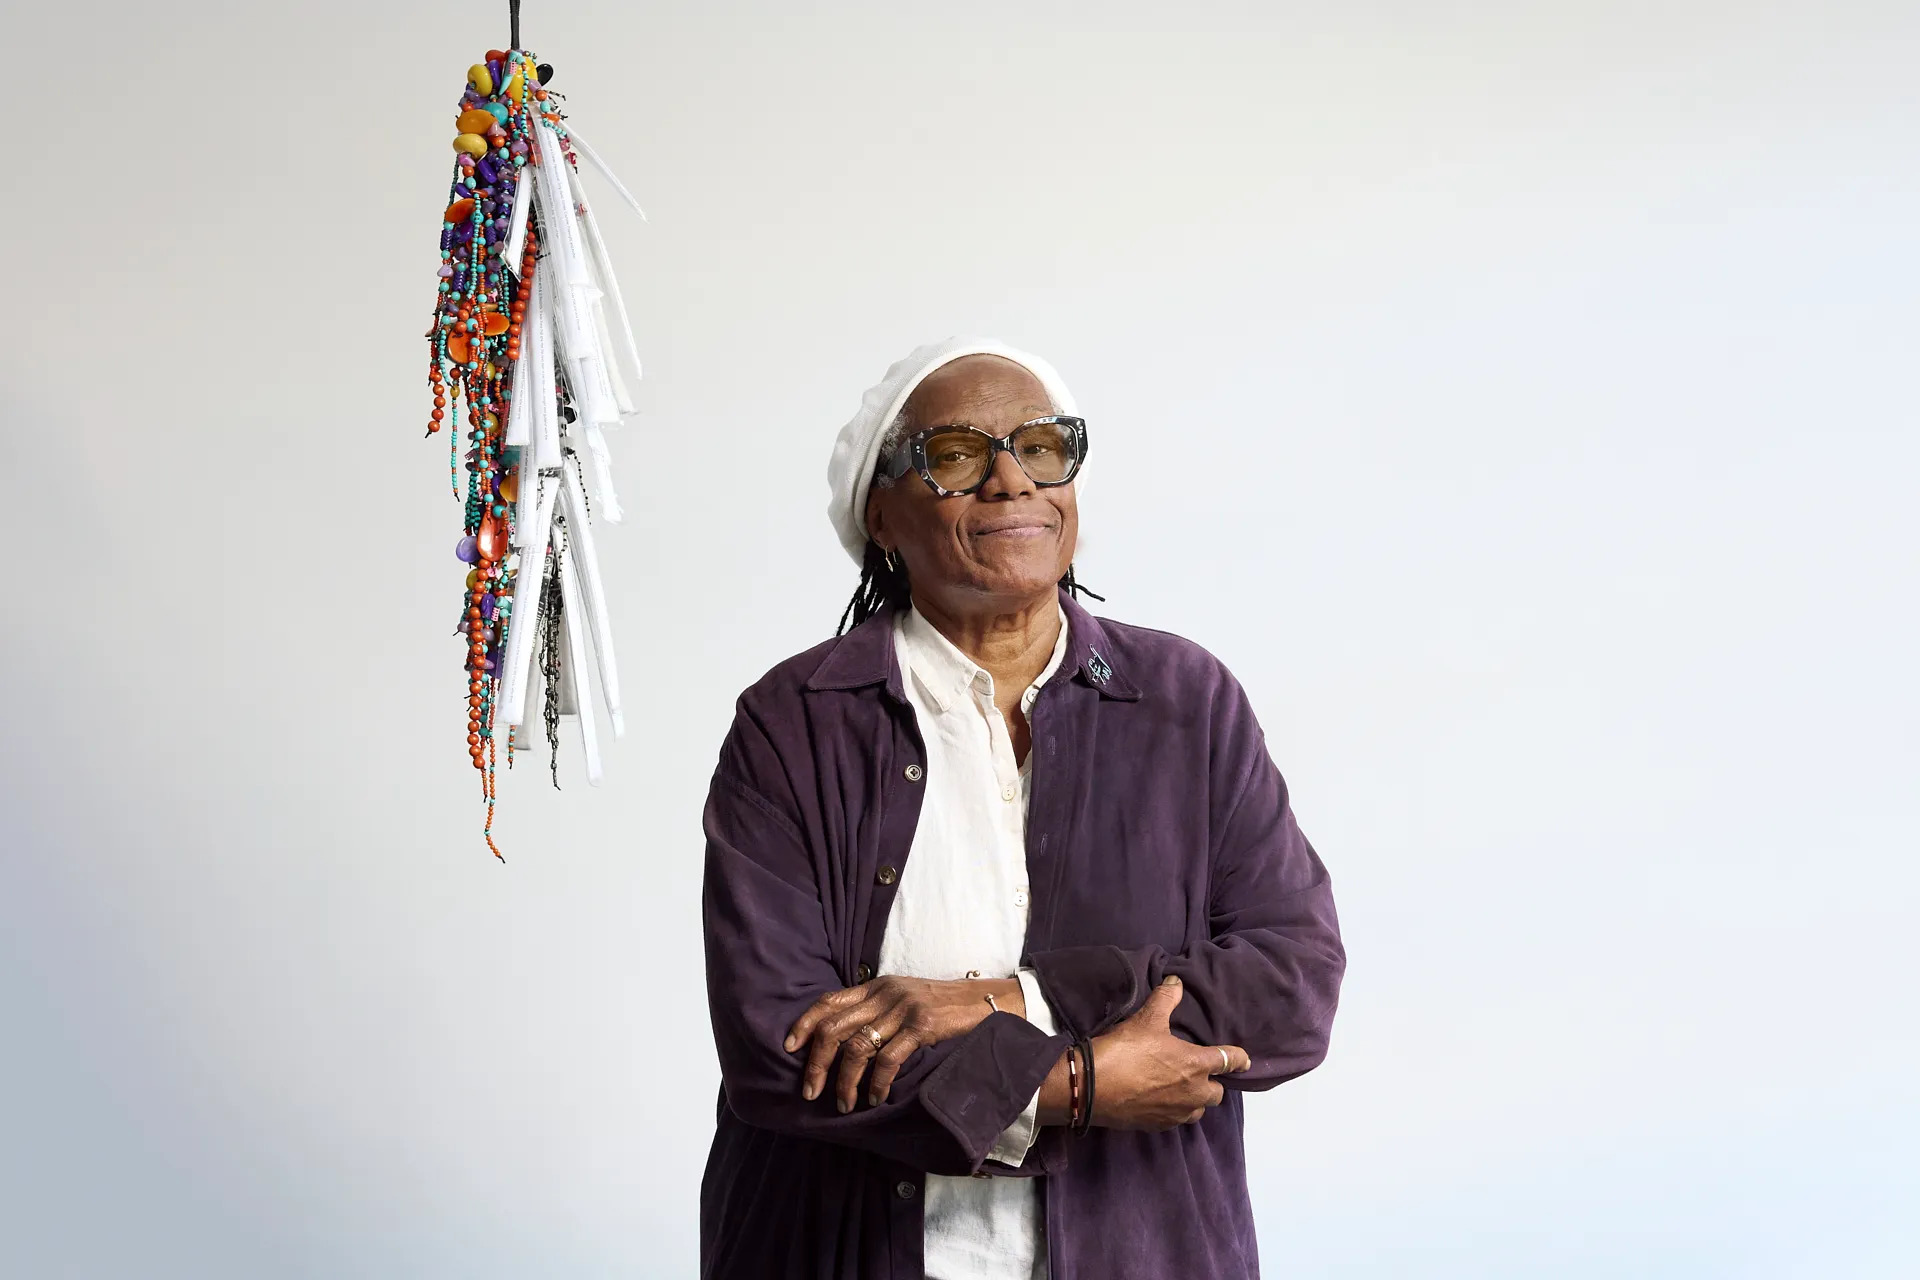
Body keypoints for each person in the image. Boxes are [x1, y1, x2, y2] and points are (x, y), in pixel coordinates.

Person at [700, 337, 1345, 1279]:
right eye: (957, 454)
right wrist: (1073, 1083)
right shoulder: (795, 723)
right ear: (883, 513)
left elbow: (1293, 984)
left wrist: (1004, 1002)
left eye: (1042, 447)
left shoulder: (1186, 702)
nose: (1011, 481)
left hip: (1147, 1248)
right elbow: (777, 1046)